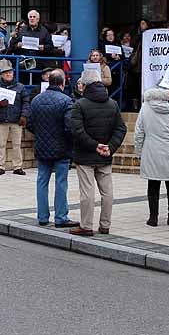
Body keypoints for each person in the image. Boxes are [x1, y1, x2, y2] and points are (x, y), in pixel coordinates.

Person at [69, 69, 127, 236]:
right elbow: (121, 129)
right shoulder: (112, 104)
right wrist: (110, 146)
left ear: (85, 85)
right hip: (105, 155)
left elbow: (77, 131)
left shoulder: (80, 104)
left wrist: (95, 146)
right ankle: (105, 225)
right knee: (107, 192)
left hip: (85, 155)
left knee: (87, 192)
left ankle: (86, 226)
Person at [26, 69, 79, 228]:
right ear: (63, 83)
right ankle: (61, 217)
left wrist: (41, 134)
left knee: (42, 181)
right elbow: (69, 127)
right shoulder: (66, 101)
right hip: (61, 148)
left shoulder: (36, 100)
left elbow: (29, 124)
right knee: (61, 182)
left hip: (42, 146)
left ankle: (42, 216)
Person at [134, 85, 169, 227]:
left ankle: (153, 218)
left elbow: (139, 132)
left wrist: (139, 153)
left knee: (153, 185)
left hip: (151, 150)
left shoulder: (146, 107)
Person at [0, 60, 29, 175]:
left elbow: (26, 102)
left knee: (17, 144)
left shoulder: (20, 87)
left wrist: (24, 115)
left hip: (16, 120)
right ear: (2, 75)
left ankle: (17, 167)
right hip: (2, 119)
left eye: (10, 73)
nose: (8, 75)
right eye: (6, 73)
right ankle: (1, 166)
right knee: (1, 144)